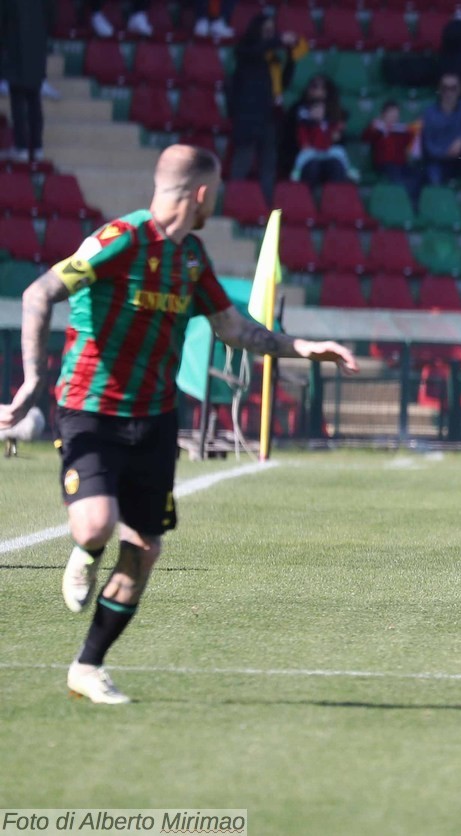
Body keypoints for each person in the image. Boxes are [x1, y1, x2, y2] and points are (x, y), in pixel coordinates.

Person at [0, 145, 359, 703]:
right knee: (95, 526)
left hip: (155, 419)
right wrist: (29, 380)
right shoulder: (120, 239)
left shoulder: (191, 259)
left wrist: (308, 348)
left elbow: (236, 330)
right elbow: (39, 291)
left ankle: (87, 667)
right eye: (214, 192)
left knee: (143, 549)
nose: (215, 202)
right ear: (198, 194)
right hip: (91, 408)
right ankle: (86, 553)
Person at [227, 12, 304, 202]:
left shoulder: (272, 58)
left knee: (269, 165)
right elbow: (255, 50)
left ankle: (265, 205)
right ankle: (232, 201)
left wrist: (291, 58)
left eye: (272, 30)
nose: (270, 34)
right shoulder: (245, 50)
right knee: (243, 161)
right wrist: (279, 40)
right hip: (249, 116)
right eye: (266, 30)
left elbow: (283, 83)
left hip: (270, 117)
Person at [0, 0, 54, 164]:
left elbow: (3, 18)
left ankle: (22, 147)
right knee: (34, 100)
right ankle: (37, 148)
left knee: (18, 101)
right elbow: (51, 17)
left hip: (16, 47)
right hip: (36, 48)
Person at [419, 73, 461, 188]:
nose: (449, 92)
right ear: (439, 90)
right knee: (433, 178)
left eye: (453, 88)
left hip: (460, 158)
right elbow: (428, 145)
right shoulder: (429, 113)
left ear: (459, 90)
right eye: (445, 88)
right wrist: (446, 153)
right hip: (438, 160)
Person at [290, 97, 356, 185]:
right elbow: (303, 139)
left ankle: (348, 170)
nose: (318, 112)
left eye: (321, 109)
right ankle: (297, 171)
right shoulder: (305, 125)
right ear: (310, 112)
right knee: (303, 155)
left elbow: (335, 134)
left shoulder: (328, 124)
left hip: (327, 150)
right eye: (316, 109)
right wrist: (305, 143)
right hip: (313, 151)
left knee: (340, 151)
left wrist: (336, 134)